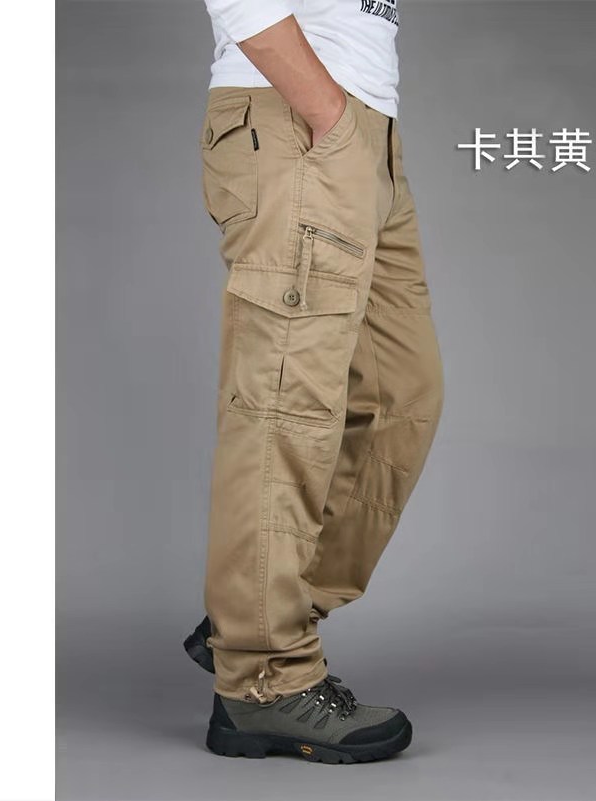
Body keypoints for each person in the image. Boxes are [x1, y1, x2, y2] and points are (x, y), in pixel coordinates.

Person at [186, 0, 444, 763]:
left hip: (364, 132)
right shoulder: (318, 114)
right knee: (283, 409)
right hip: (301, 118)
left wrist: (354, 133)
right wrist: (328, 116)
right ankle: (261, 676)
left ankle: (255, 608)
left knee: (401, 397)